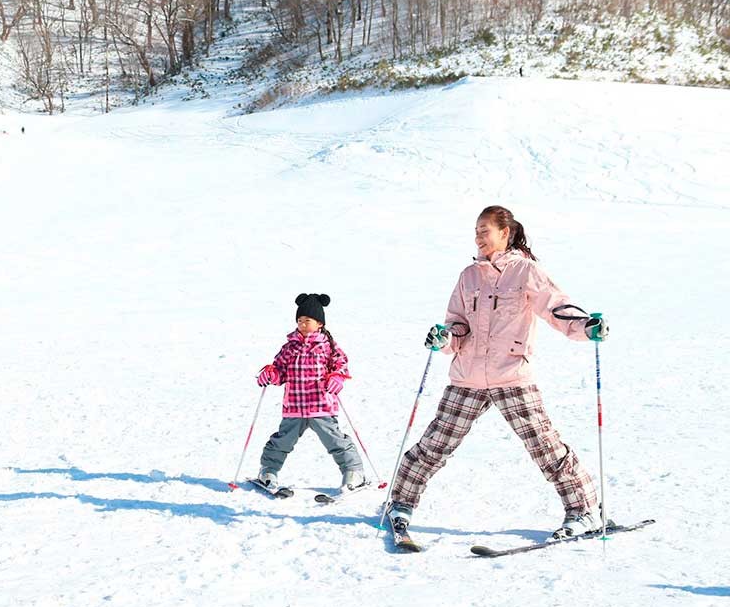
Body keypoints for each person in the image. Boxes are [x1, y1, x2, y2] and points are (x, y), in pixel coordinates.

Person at [386, 205, 609, 541]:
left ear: (505, 233)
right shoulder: (468, 276)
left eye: (485, 231)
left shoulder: (526, 272)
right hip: (468, 376)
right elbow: (456, 322)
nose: (479, 237)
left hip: (511, 373)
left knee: (545, 446)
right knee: (435, 444)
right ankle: (399, 503)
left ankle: (584, 510)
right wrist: (444, 337)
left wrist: (584, 326)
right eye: (476, 231)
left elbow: (556, 307)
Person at [254, 293, 367, 492]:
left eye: (307, 321)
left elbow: (341, 365)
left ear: (320, 324)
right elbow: (279, 371)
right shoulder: (289, 347)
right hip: (294, 407)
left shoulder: (327, 346)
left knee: (334, 439)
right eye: (299, 321)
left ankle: (353, 471)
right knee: (282, 441)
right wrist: (271, 374)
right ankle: (268, 470)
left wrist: (336, 378)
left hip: (320, 405)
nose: (303, 325)